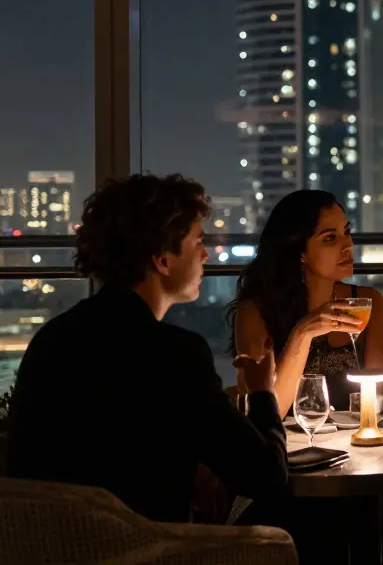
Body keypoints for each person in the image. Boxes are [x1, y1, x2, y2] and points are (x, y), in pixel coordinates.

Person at [6, 174, 288, 523]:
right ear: (162, 260)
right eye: (198, 242)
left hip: (45, 546)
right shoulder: (175, 353)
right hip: (148, 551)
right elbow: (265, 476)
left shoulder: (52, 339)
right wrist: (263, 392)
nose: (205, 255)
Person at [230, 190, 383, 417]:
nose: (347, 245)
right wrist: (303, 333)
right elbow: (268, 413)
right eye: (329, 238)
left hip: (349, 442)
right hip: (285, 446)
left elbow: (380, 402)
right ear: (299, 251)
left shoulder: (367, 303)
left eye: (347, 232)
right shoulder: (256, 310)